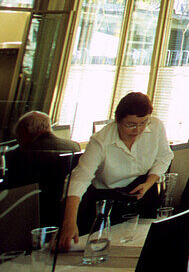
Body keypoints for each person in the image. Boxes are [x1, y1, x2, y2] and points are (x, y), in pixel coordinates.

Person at [56, 92, 173, 249]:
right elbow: (79, 179)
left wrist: (148, 182)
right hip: (106, 198)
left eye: (143, 123)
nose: (138, 129)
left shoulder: (156, 126)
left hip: (139, 192)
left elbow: (164, 157)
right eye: (130, 124)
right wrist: (69, 221)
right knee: (103, 247)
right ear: (117, 119)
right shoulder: (101, 141)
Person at [4, 111, 82, 188]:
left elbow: (11, 185)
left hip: (32, 197)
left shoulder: (20, 153)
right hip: (64, 197)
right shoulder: (74, 146)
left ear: (24, 131)